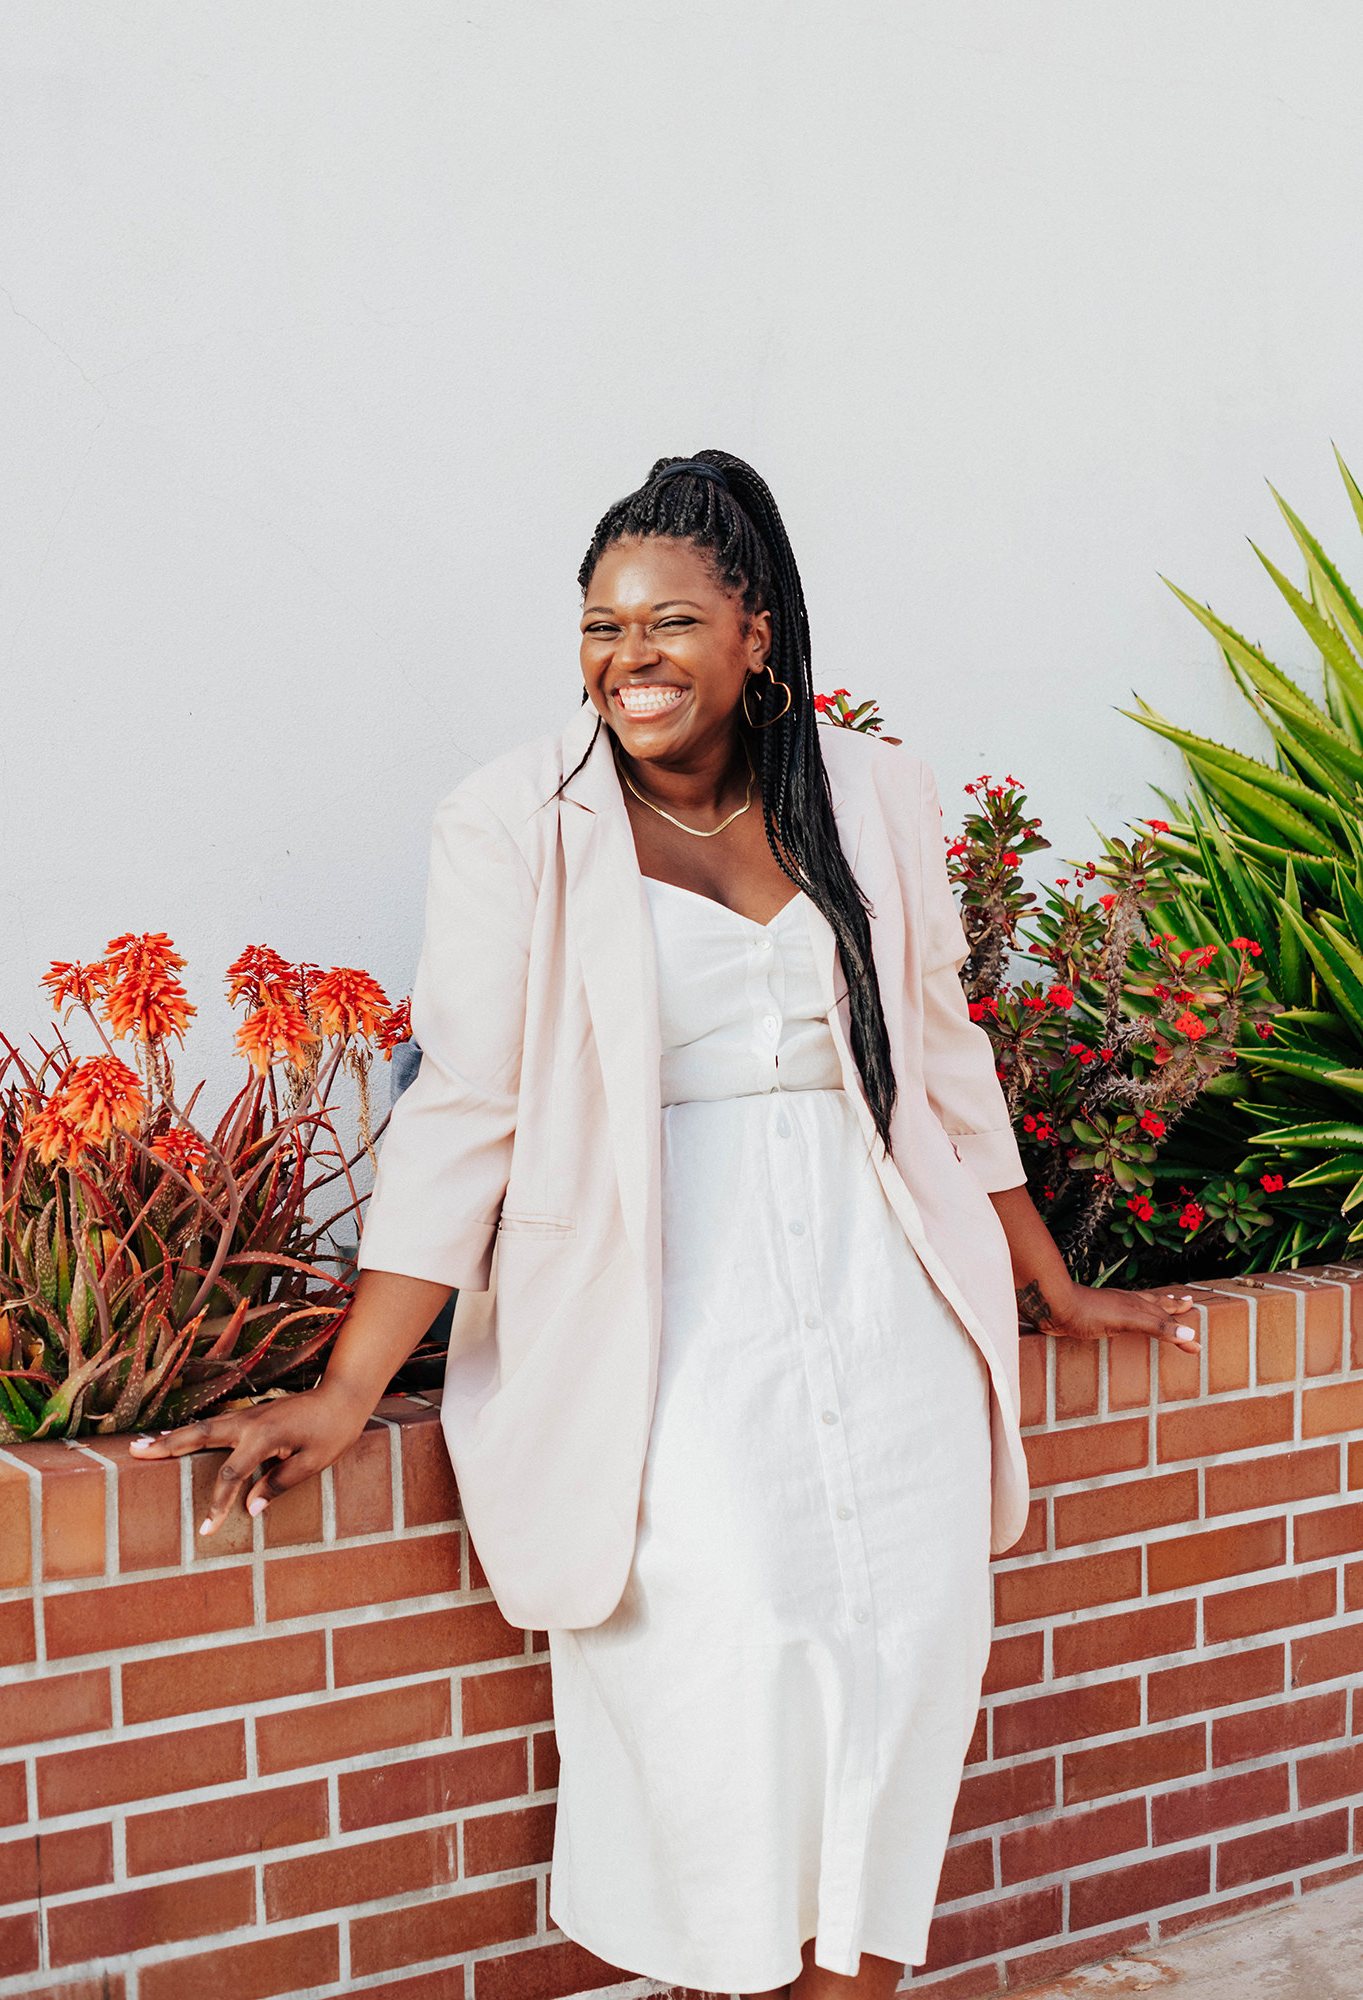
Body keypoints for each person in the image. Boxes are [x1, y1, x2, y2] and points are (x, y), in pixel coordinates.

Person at [133, 451, 1201, 1999]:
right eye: (599, 626)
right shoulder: (518, 820)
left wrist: (1046, 1278)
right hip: (662, 1313)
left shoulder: (872, 795)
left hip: (882, 1287)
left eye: (670, 622)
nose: (627, 658)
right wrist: (355, 1384)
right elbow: (465, 1112)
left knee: (907, 1654)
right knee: (725, 1667)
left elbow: (941, 1057)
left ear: (755, 633)